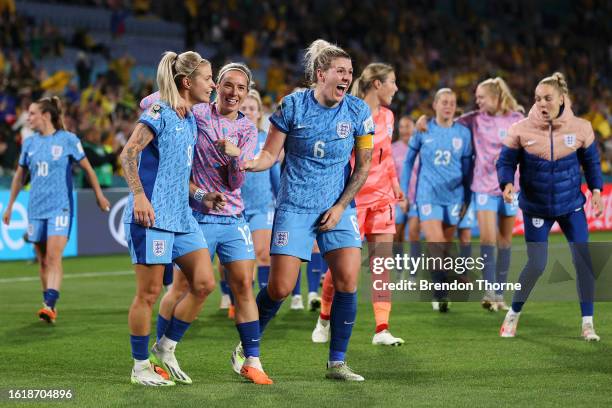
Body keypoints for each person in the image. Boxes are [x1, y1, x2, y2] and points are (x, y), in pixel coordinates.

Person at [240, 39, 374, 381]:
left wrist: (342, 205)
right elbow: (270, 155)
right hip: (295, 207)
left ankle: (337, 363)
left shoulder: (358, 112)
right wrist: (251, 164)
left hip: (338, 209)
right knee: (280, 288)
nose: (347, 77)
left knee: (347, 280)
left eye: (350, 72)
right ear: (320, 74)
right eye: (340, 71)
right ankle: (247, 349)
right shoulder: (291, 106)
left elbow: (362, 167)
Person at [143, 62, 272, 385]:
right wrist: (172, 91)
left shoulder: (247, 130)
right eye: (228, 84)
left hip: (232, 215)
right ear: (217, 86)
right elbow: (147, 104)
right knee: (183, 286)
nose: (234, 92)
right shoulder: (198, 112)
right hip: (195, 215)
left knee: (243, 283)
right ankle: (162, 351)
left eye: (241, 88)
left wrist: (234, 157)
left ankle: (251, 359)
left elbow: (235, 182)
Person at [121, 51, 216, 386]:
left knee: (204, 283)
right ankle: (139, 366)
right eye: (208, 78)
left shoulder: (188, 115)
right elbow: (128, 153)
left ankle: (165, 347)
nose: (213, 84)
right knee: (148, 294)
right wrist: (138, 196)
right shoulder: (161, 110)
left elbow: (178, 172)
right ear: (188, 82)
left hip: (182, 217)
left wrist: (202, 196)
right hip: (154, 217)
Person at [497, 73, 603, 341]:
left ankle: (588, 324)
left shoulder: (581, 128)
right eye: (537, 99)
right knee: (537, 264)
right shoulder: (521, 129)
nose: (542, 103)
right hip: (536, 207)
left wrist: (597, 191)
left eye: (547, 98)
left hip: (571, 206)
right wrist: (506, 184)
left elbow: (591, 164)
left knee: (583, 262)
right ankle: (513, 313)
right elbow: (505, 162)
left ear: (562, 99)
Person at [312, 63, 405, 347]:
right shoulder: (349, 111)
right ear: (377, 84)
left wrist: (395, 184)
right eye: (392, 82)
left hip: (382, 200)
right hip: (351, 203)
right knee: (341, 270)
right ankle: (324, 319)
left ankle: (382, 329)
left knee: (381, 266)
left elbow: (386, 156)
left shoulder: (388, 116)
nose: (396, 88)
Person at [416, 77, 524, 311]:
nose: (477, 101)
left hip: (510, 188)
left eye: (481, 97)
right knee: (487, 239)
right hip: (484, 187)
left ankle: (499, 294)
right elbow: (445, 122)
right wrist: (424, 120)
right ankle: (488, 290)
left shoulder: (516, 119)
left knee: (505, 242)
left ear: (495, 98)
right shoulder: (473, 119)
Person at [2, 96, 110, 324]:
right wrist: (10, 206)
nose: (28, 118)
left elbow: (88, 170)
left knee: (53, 256)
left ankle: (50, 304)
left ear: (46, 115)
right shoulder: (29, 143)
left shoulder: (68, 140)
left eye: (32, 113)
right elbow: (20, 176)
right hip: (35, 208)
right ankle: (47, 303)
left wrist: (99, 195)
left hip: (60, 206)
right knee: (42, 260)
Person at [401, 88, 472, 312]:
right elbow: (407, 163)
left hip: (454, 197)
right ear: (435, 105)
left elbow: (468, 168)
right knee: (436, 242)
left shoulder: (463, 133)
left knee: (444, 246)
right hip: (427, 195)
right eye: (444, 102)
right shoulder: (422, 129)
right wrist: (403, 192)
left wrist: (467, 198)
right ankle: (440, 294)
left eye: (452, 102)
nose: (448, 105)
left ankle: (440, 280)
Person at [240, 89, 280, 293]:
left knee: (262, 254)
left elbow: (274, 172)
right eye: (244, 107)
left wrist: (281, 199)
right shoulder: (231, 138)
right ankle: (237, 297)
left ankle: (261, 301)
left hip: (262, 206)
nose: (247, 111)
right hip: (236, 207)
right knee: (239, 260)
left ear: (259, 113)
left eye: (251, 108)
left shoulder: (266, 139)